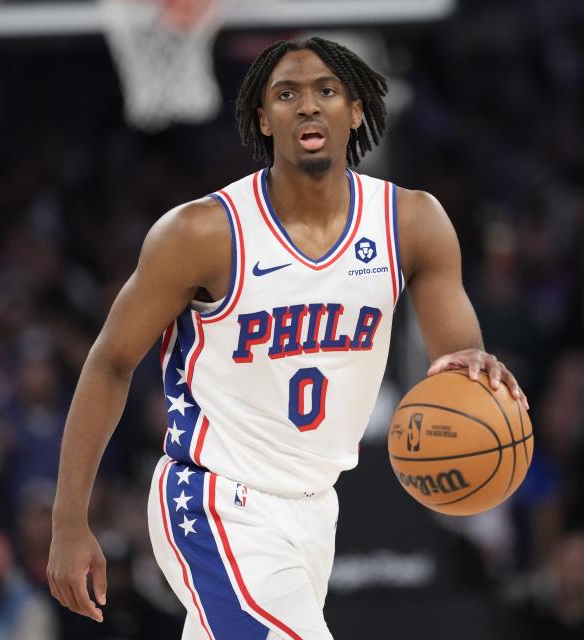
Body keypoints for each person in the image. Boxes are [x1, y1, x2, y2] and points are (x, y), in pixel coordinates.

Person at [47, 37, 526, 639]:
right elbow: (110, 362)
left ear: (355, 111)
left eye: (326, 91)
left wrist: (479, 372)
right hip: (215, 502)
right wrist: (69, 521)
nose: (307, 106)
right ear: (262, 120)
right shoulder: (202, 232)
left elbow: (458, 366)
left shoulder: (412, 223)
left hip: (316, 508)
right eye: (286, 94)